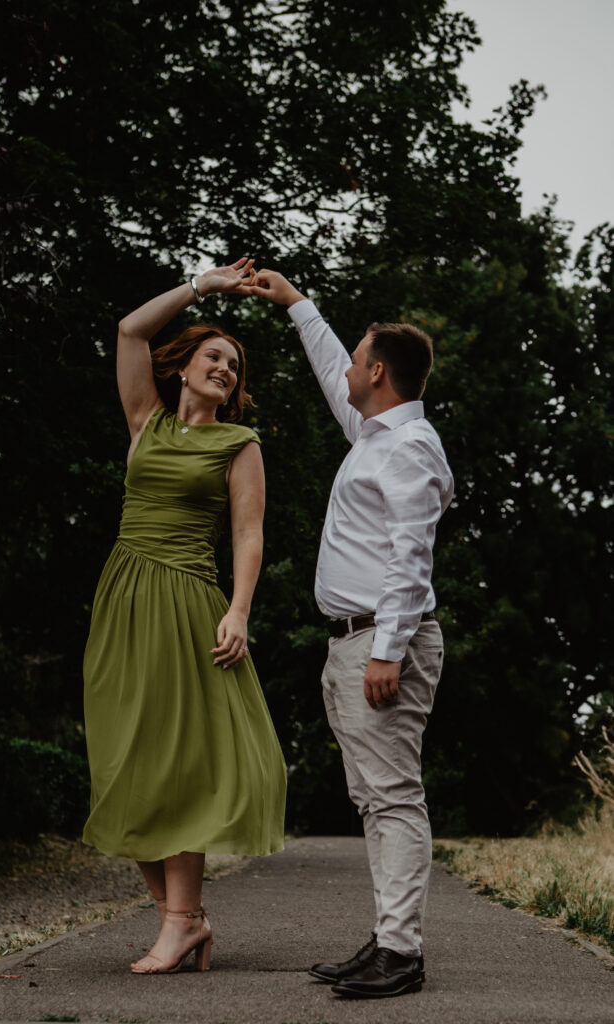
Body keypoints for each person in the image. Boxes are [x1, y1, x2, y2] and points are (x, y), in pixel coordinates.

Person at [250, 269, 454, 999]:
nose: (346, 369)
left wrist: (386, 651)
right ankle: (389, 938)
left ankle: (401, 954)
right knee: (373, 798)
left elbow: (410, 556)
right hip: (354, 641)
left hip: (380, 643)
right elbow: (329, 367)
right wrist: (296, 304)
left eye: (357, 359)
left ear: (378, 373)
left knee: (392, 796)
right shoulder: (373, 435)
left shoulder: (409, 446)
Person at [82, 257, 287, 976]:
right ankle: (186, 919)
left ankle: (178, 923)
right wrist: (205, 285)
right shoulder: (147, 420)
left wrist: (239, 610)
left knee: (179, 764)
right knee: (122, 762)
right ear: (184, 366)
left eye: (233, 364)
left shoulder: (239, 443)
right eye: (213, 356)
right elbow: (130, 330)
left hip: (190, 603)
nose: (224, 368)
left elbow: (248, 534)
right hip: (123, 599)